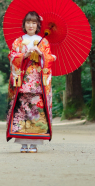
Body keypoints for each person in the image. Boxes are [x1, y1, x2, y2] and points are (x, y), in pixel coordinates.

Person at [6, 10, 56, 153]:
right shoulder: (18, 41)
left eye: (34, 23)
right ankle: (22, 142)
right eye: (28, 22)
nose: (31, 25)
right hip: (22, 81)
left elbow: (50, 59)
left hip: (38, 82)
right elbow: (12, 56)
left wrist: (41, 55)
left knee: (36, 110)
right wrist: (24, 55)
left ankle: (34, 143)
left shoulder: (43, 41)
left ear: (38, 25)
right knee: (22, 110)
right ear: (24, 24)